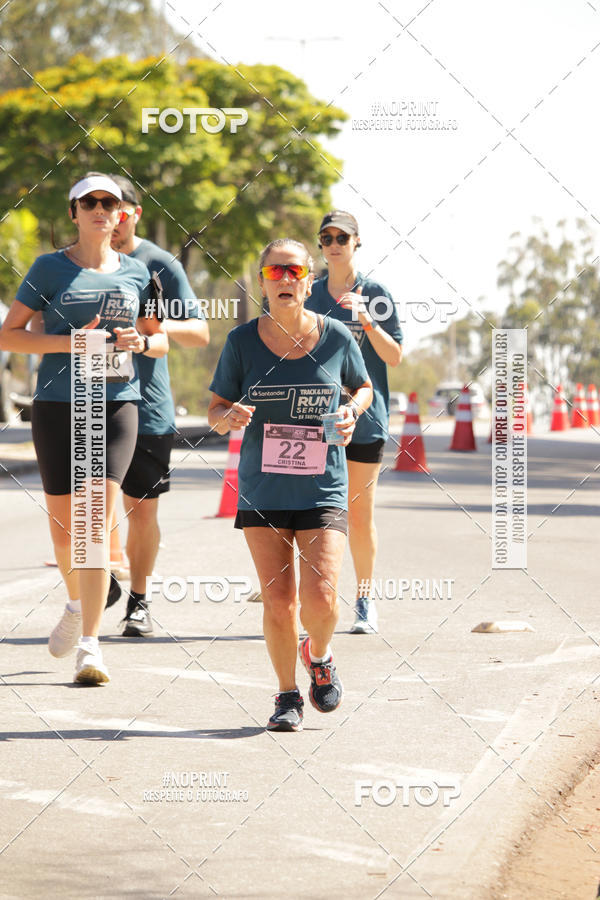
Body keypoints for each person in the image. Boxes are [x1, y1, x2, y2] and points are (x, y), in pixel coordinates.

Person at [0, 173, 168, 684]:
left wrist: (139, 345)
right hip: (57, 406)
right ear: (73, 212)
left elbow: (158, 341)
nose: (100, 208)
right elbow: (10, 335)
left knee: (96, 525)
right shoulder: (49, 269)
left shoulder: (140, 274)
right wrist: (70, 344)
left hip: (116, 406)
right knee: (63, 532)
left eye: (109, 202)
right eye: (89, 201)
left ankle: (91, 647)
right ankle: (76, 605)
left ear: (122, 214)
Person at [208, 238, 372, 731]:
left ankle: (318, 655)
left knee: (322, 601)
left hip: (322, 486)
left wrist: (351, 411)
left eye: (293, 272)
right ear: (261, 280)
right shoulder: (241, 342)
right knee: (279, 602)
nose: (284, 280)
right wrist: (228, 417)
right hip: (264, 490)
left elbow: (362, 388)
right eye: (274, 272)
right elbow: (214, 410)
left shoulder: (338, 336)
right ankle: (286, 697)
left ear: (307, 280)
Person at [108, 175, 210, 637]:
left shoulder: (158, 264)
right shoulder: (69, 264)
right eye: (96, 204)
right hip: (83, 402)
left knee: (141, 509)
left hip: (145, 407)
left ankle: (139, 600)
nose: (110, 216)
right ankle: (99, 579)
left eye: (119, 208)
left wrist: (151, 335)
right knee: (79, 504)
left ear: (134, 213)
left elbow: (199, 332)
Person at [305, 211, 403, 634]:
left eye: (341, 236)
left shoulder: (376, 291)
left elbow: (395, 356)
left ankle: (365, 599)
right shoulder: (307, 293)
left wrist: (365, 318)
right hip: (314, 419)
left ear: (357, 242)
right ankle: (314, 599)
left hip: (364, 420)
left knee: (358, 515)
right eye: (326, 237)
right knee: (311, 513)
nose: (333, 243)